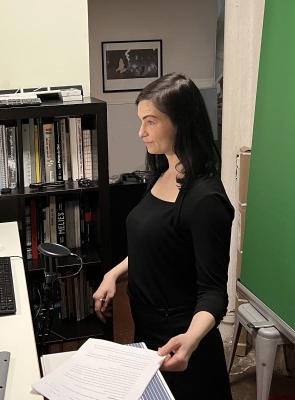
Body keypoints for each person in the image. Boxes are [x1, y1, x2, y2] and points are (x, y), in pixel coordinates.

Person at [92, 72, 233, 399]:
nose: (141, 132)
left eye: (151, 122)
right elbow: (157, 246)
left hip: (181, 344)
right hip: (148, 328)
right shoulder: (163, 170)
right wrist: (114, 274)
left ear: (181, 122)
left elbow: (214, 293)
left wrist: (191, 340)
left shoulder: (205, 200)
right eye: (141, 121)